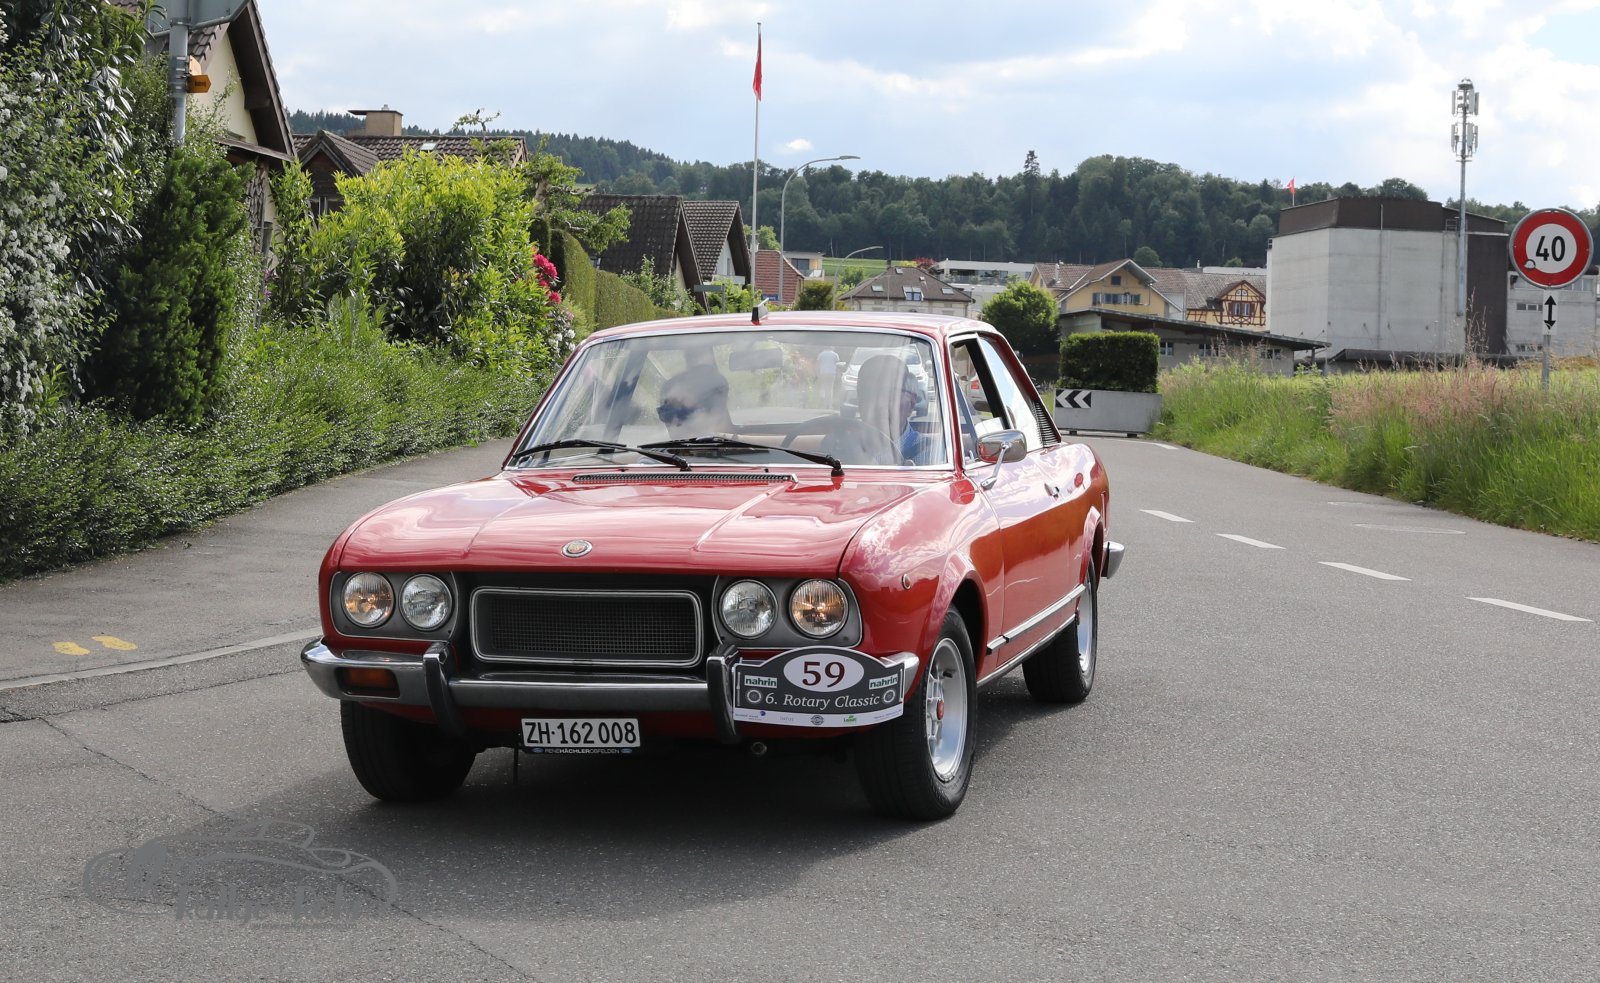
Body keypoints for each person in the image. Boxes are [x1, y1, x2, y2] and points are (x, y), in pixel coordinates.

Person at [849, 354, 932, 465]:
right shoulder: (839, 447)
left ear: (911, 403)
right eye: (868, 393)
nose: (879, 404)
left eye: (889, 394)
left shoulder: (930, 453)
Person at [656, 362, 735, 440]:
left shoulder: (737, 445)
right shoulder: (655, 447)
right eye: (667, 412)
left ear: (716, 413)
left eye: (684, 412)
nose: (675, 422)